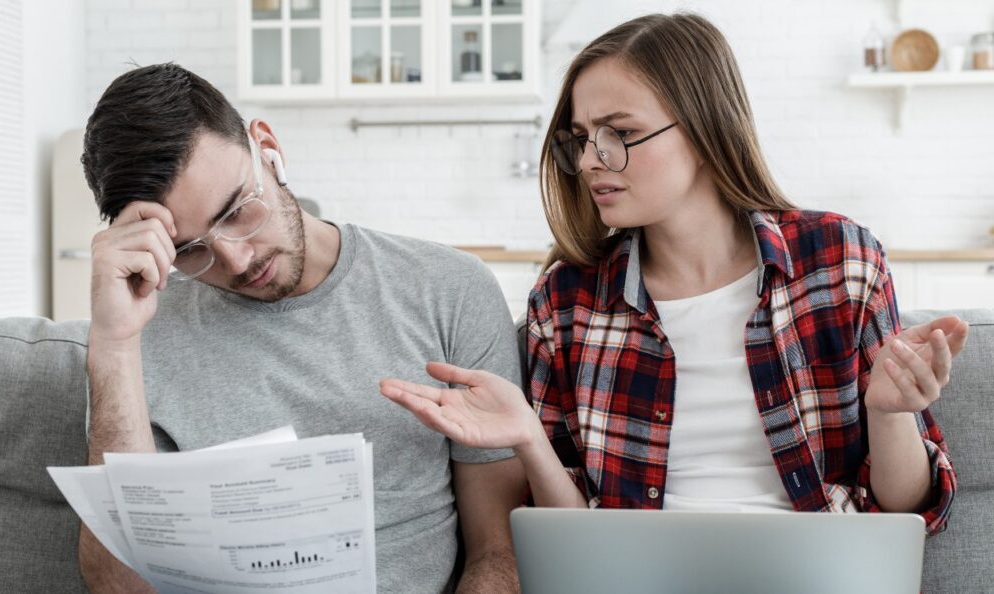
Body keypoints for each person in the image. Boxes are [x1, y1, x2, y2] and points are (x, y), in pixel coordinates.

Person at [380, 13, 967, 532]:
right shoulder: (566, 302)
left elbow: (910, 509)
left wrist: (890, 414)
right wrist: (530, 440)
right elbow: (575, 539)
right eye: (582, 139)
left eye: (622, 133)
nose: (589, 161)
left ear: (707, 130)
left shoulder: (841, 260)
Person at [79, 63, 526, 593]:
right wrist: (114, 346)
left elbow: (499, 553)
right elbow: (117, 586)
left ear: (267, 148)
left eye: (238, 210)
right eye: (191, 251)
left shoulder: (448, 288)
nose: (239, 260)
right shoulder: (139, 338)